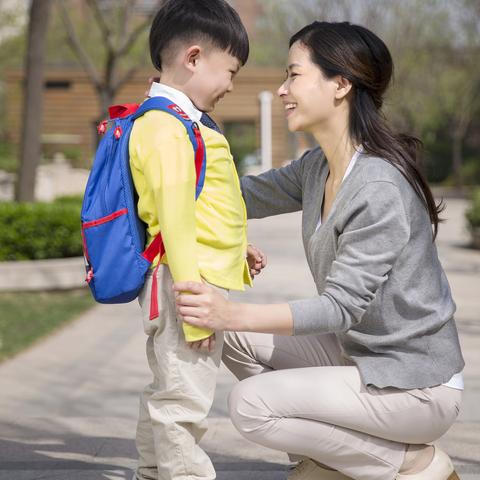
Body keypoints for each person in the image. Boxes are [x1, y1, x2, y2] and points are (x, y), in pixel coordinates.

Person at [174, 21, 465, 480]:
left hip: (417, 385)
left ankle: (413, 463)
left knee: (251, 407)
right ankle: (333, 459)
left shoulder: (378, 187)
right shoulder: (318, 167)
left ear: (341, 84)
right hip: (358, 359)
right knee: (230, 339)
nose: (282, 88)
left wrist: (229, 312)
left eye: (293, 75)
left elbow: (339, 308)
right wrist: (163, 164)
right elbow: (237, 197)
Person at [129, 1, 266, 479]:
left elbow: (199, 205)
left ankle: (152, 473)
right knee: (183, 399)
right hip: (187, 286)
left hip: (189, 278)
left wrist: (235, 248)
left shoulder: (178, 122)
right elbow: (175, 219)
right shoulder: (165, 127)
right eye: (229, 70)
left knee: (169, 390)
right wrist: (195, 308)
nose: (231, 84)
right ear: (192, 58)